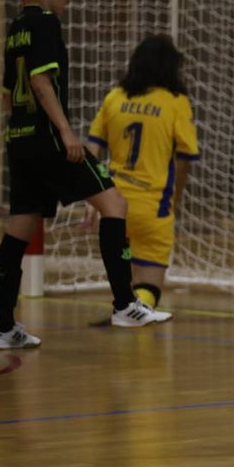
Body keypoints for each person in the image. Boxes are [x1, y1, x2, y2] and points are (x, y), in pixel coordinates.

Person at [0, 0, 171, 350]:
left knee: (19, 227)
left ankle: (1, 325)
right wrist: (66, 133)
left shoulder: (15, 28)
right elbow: (40, 82)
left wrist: (25, 129)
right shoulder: (44, 23)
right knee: (115, 205)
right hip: (49, 140)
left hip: (18, 141)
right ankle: (125, 305)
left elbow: (8, 95)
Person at [84, 34, 200, 314]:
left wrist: (92, 196)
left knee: (125, 274)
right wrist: (174, 199)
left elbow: (92, 148)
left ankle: (125, 309)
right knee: (150, 287)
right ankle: (136, 309)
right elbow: (185, 158)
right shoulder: (175, 102)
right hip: (153, 207)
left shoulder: (115, 98)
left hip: (113, 206)